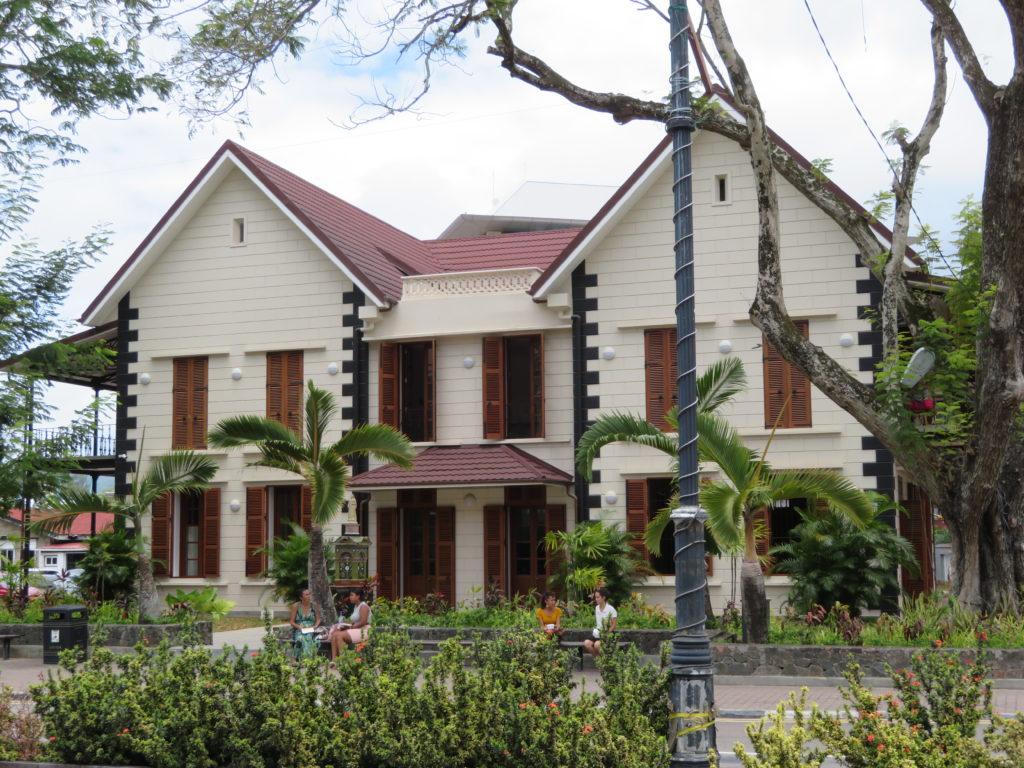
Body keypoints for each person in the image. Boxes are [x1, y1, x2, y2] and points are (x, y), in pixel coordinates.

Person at [330, 588, 372, 662]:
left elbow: (363, 622)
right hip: (357, 629)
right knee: (335, 634)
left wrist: (350, 628)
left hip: (364, 630)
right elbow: (354, 621)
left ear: (358, 596)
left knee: (340, 636)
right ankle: (334, 660)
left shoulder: (363, 606)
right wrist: (345, 624)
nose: (350, 597)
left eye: (352, 595)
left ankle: (345, 661)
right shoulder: (356, 606)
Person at [582, 587, 617, 658]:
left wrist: (607, 632)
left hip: (608, 634)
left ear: (603, 598)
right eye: (595, 597)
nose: (596, 599)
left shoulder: (611, 609)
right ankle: (600, 661)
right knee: (587, 643)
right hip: (598, 633)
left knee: (597, 645)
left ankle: (606, 661)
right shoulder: (597, 608)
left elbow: (614, 625)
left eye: (598, 597)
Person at [289, 588, 322, 659]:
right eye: (307, 595)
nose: (309, 596)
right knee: (300, 638)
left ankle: (306, 659)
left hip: (311, 628)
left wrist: (315, 626)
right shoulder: (296, 606)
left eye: (310, 594)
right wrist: (300, 627)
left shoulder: (314, 605)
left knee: (308, 637)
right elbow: (291, 622)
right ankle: (295, 658)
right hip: (299, 629)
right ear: (301, 597)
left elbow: (318, 619)